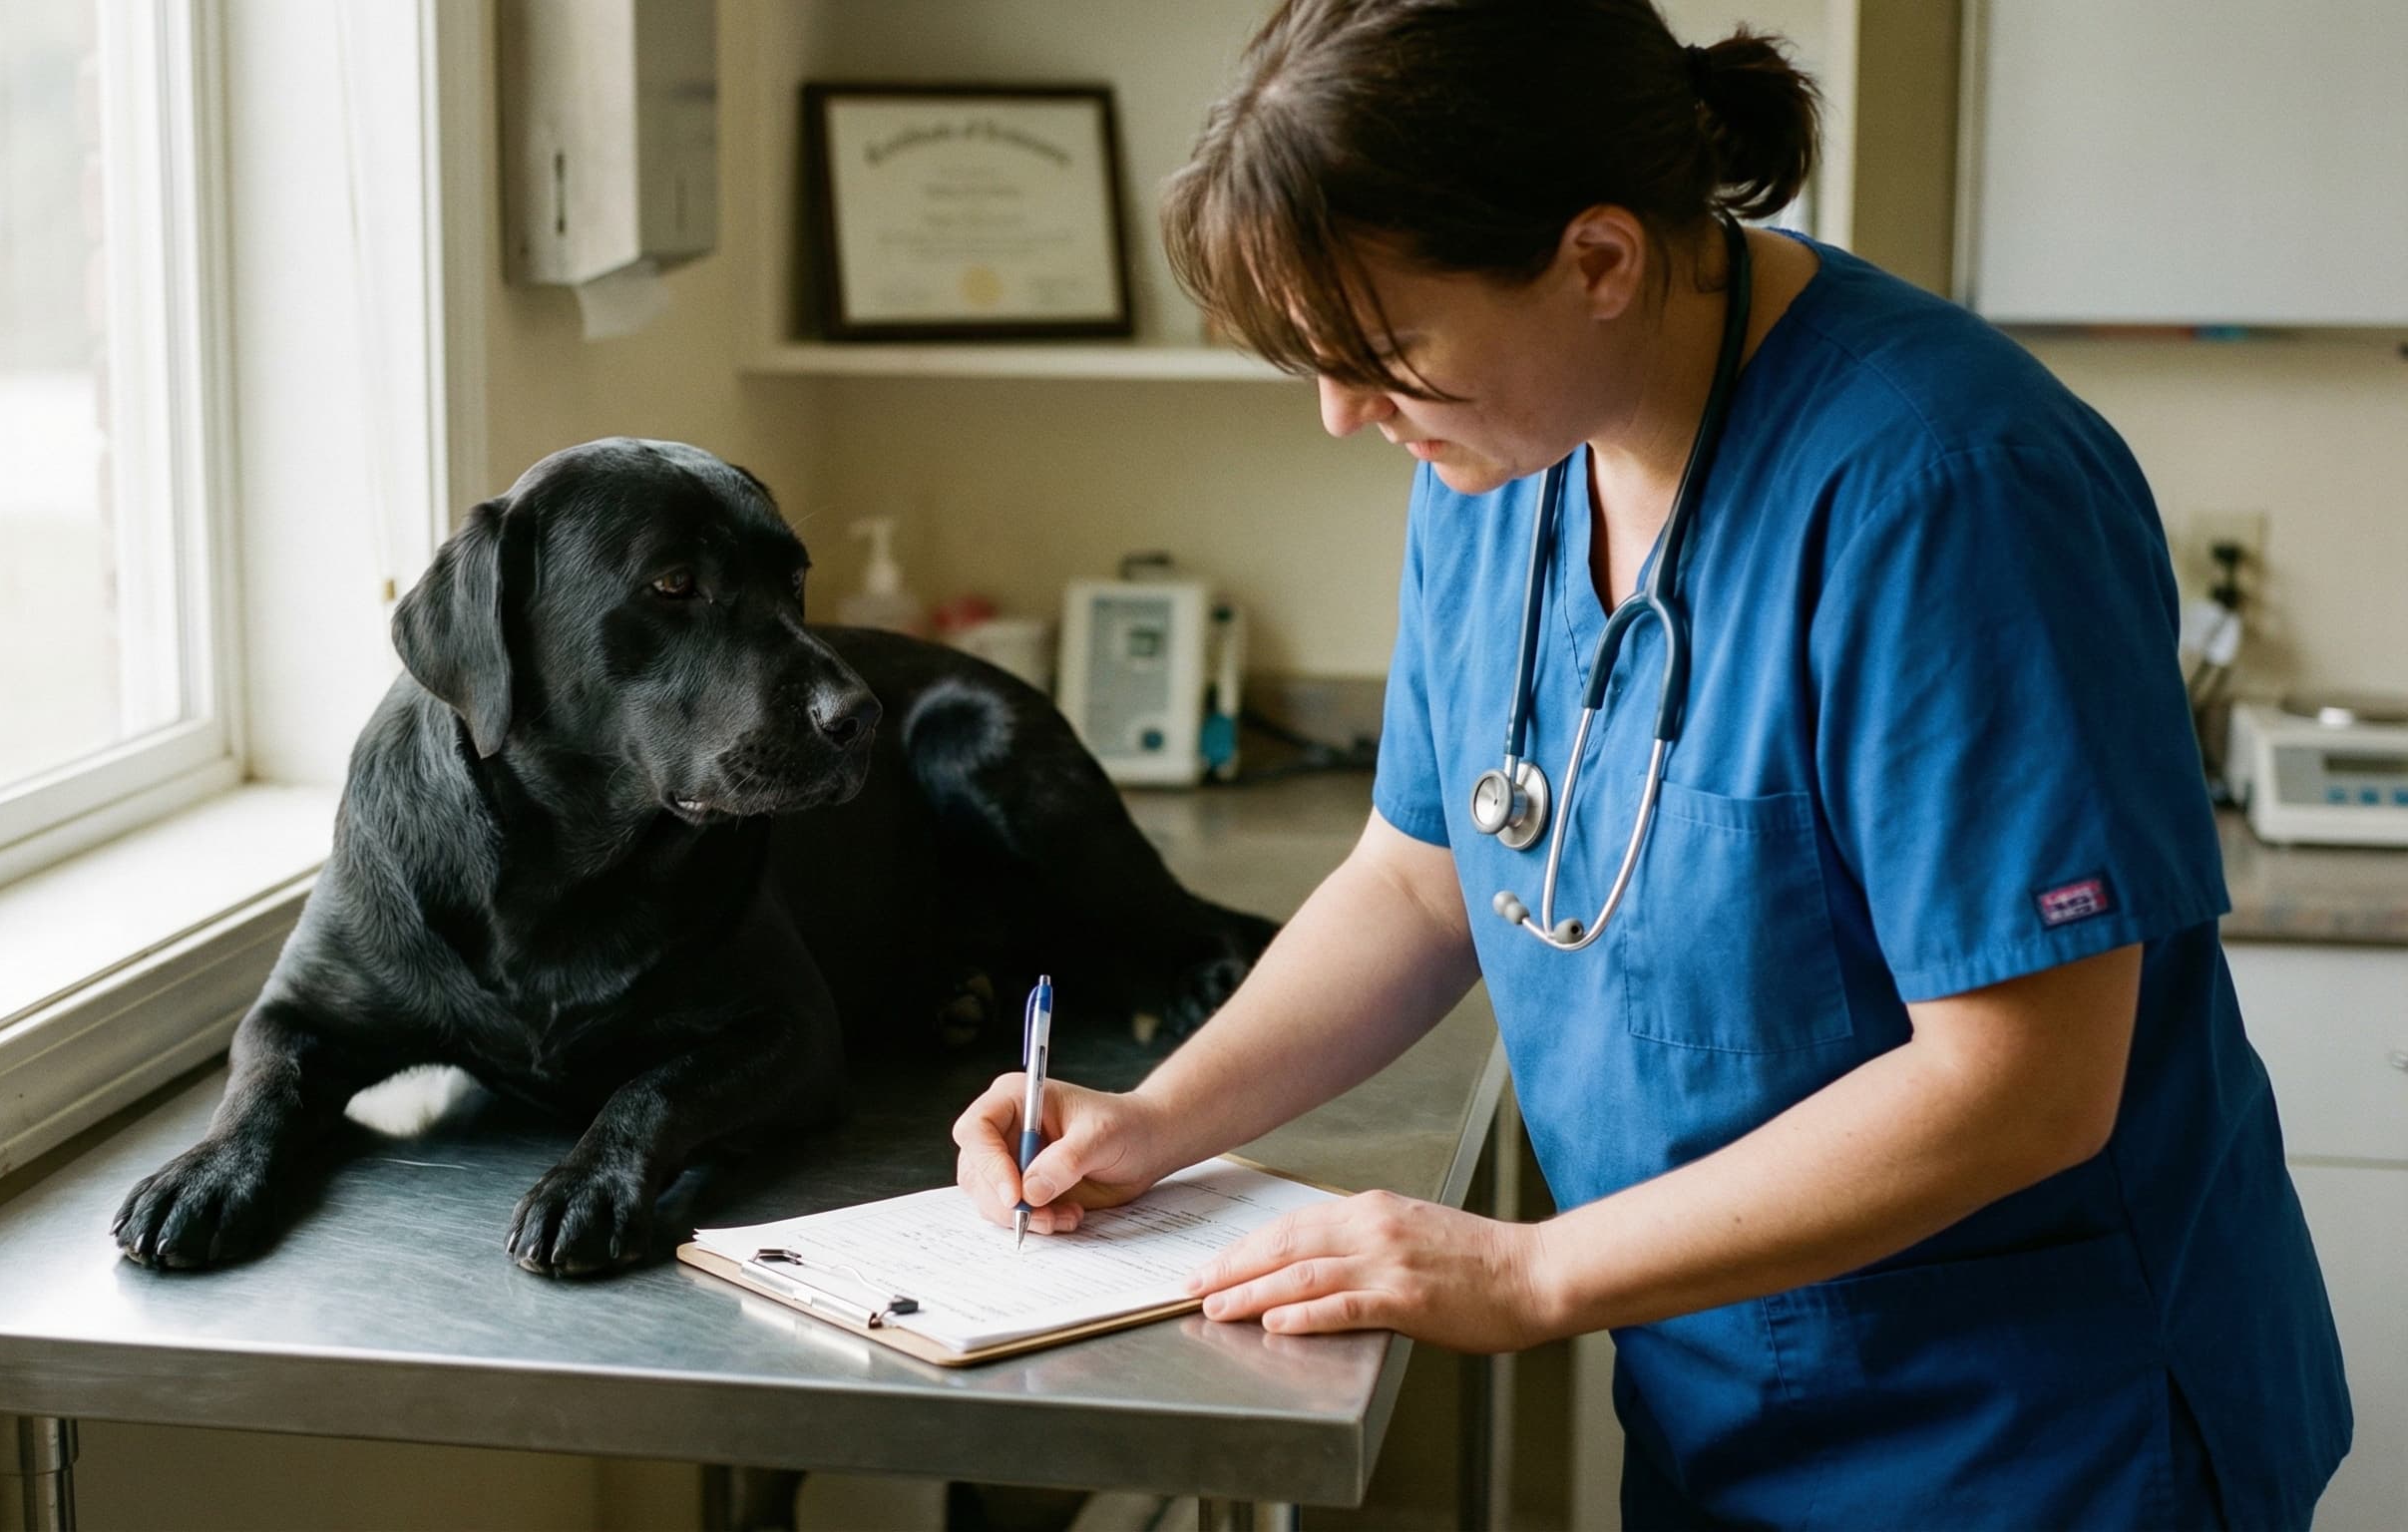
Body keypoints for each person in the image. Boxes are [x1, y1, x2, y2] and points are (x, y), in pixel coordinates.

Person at [949, 1, 2351, 1525]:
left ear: (1599, 261)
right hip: (1725, 1400)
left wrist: (1534, 1268)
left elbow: (2022, 1085)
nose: (1347, 415)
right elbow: (1424, 879)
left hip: (2029, 1442)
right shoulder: (1503, 450)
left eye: (1381, 352)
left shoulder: (1949, 491)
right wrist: (1163, 1118)